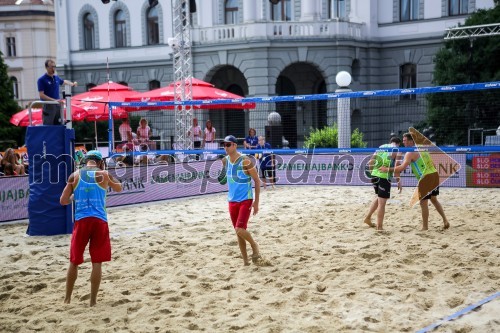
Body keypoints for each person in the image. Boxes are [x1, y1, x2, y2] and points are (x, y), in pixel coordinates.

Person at [59, 150, 123, 306]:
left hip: (81, 221)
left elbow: (63, 201)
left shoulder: (74, 176)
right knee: (97, 262)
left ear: (85, 161)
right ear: (100, 162)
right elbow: (119, 188)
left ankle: (67, 299)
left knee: (74, 262)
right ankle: (93, 301)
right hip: (99, 220)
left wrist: (74, 196)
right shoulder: (104, 174)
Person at [380, 132, 450, 231]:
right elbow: (432, 162)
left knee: (423, 203)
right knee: (434, 200)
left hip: (426, 178)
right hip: (434, 175)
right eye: (403, 140)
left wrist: (387, 169)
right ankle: (445, 220)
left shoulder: (410, 153)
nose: (403, 142)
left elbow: (401, 167)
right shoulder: (421, 148)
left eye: (405, 140)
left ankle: (425, 227)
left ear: (411, 141)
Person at [219, 135, 262, 266]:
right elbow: (223, 180)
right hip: (232, 200)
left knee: (239, 229)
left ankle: (254, 246)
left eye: (228, 144)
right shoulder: (224, 161)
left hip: (245, 199)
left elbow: (257, 181)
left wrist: (256, 203)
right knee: (239, 232)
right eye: (224, 145)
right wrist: (221, 177)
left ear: (234, 145)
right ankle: (245, 262)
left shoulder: (245, 161)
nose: (225, 147)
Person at [363, 137, 402, 230]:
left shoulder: (381, 147)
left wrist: (373, 173)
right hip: (384, 177)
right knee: (382, 203)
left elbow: (371, 161)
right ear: (398, 143)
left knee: (379, 198)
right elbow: (397, 169)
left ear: (390, 142)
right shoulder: (397, 150)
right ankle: (379, 227)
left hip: (374, 175)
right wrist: (399, 182)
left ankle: (368, 218)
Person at [37, 59, 77, 125]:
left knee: (58, 124)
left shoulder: (56, 78)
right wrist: (54, 100)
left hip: (57, 105)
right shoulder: (41, 80)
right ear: (46, 67)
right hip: (48, 106)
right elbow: (41, 95)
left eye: (54, 66)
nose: (53, 69)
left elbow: (64, 81)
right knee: (48, 126)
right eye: (51, 67)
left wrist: (72, 84)